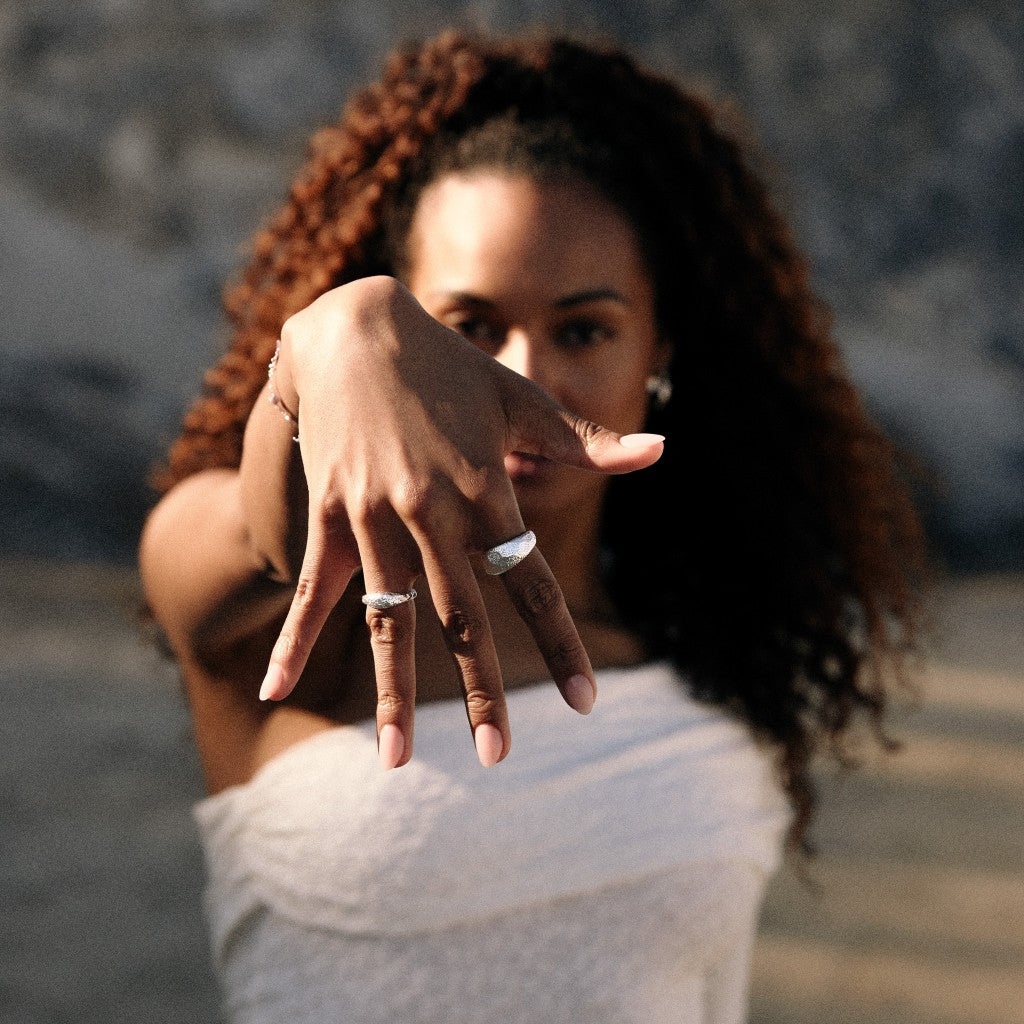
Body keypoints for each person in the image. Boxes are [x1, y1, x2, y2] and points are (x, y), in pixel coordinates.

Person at [140, 29, 925, 1024]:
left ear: (659, 352)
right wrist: (328, 343)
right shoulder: (293, 625)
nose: (522, 378)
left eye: (583, 329)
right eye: (465, 329)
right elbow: (271, 539)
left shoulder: (706, 631)